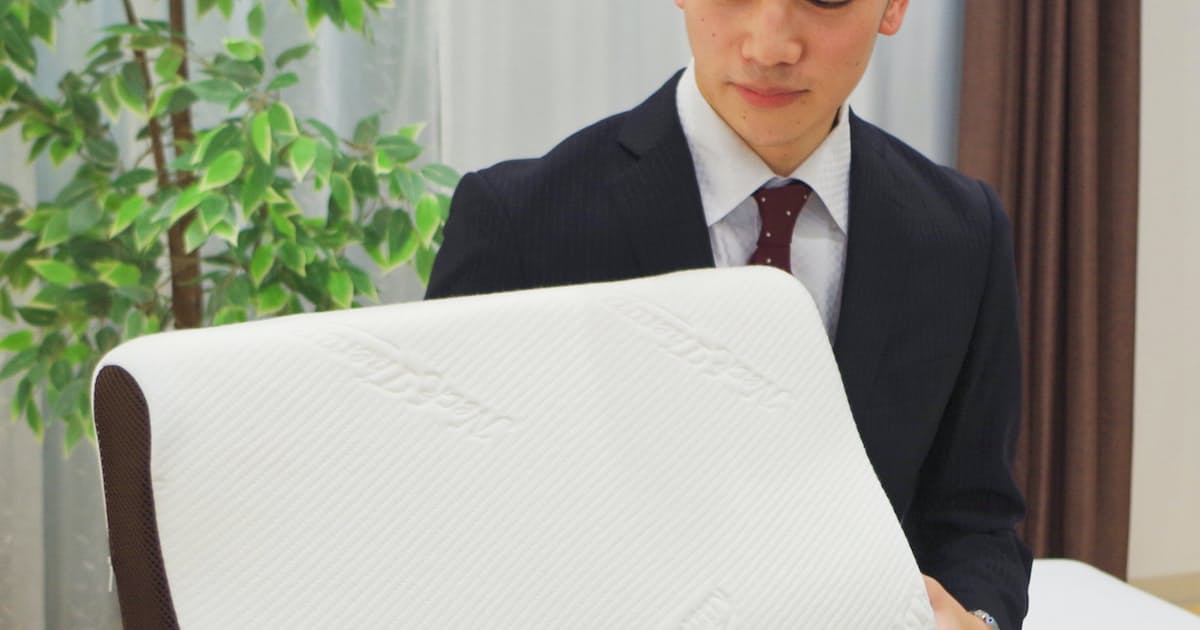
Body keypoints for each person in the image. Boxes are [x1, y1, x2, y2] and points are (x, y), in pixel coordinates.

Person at [425, 0, 1033, 628]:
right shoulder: (519, 223)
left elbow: (976, 517)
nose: (769, 48)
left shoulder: (960, 232)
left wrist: (977, 620)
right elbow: (444, 518)